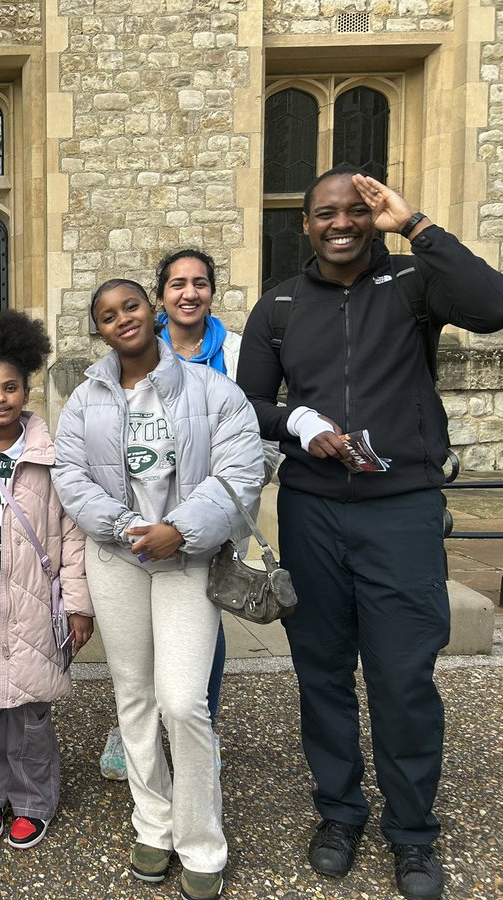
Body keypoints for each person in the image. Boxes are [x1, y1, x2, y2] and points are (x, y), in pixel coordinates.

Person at [236, 164, 503, 900]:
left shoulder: (416, 284)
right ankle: (339, 813)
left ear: (373, 213)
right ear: (305, 224)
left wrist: (414, 224)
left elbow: (493, 306)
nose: (342, 223)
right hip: (314, 509)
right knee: (322, 671)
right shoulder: (280, 305)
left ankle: (413, 836)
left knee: (403, 678)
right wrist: (297, 419)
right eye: (326, 213)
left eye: (357, 210)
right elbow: (248, 403)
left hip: (402, 508)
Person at [53, 279, 263, 900]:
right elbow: (70, 473)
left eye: (132, 306)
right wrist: (120, 526)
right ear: (99, 329)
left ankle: (202, 839)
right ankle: (154, 822)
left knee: (183, 702)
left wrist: (181, 529)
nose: (124, 320)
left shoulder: (213, 390)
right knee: (135, 697)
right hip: (116, 558)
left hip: (186, 560)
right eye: (108, 315)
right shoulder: (85, 397)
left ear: (154, 310)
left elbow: (240, 474)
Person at [98, 249, 278, 781]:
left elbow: (256, 436)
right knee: (139, 634)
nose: (189, 293)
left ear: (212, 292)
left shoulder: (240, 355)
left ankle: (198, 722)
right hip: (141, 519)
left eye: (200, 283)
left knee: (204, 619)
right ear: (160, 297)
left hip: (212, 515)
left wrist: (213, 509)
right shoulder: (138, 350)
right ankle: (141, 726)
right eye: (177, 284)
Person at [0, 310, 93, 849]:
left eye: (10, 387)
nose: (0, 398)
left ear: (27, 388)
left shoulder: (53, 458)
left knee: (28, 701)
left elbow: (73, 534)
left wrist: (78, 603)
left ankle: (31, 797)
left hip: (31, 595)